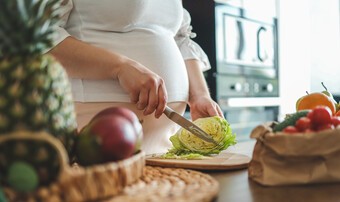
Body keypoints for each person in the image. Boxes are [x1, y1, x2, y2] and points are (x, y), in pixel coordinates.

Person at [49, 0, 224, 154]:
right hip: (99, 138)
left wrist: (199, 95)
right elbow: (43, 36)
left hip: (167, 142)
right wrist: (120, 67)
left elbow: (181, 37)